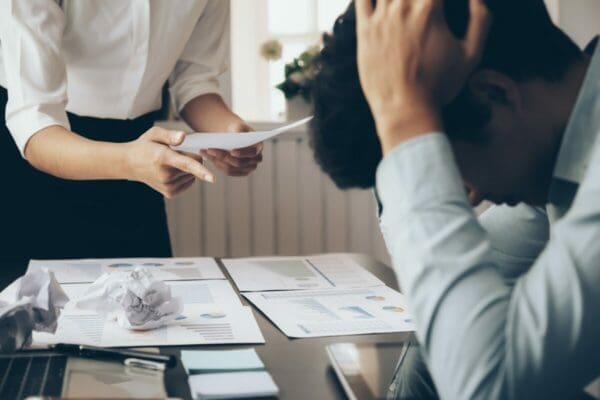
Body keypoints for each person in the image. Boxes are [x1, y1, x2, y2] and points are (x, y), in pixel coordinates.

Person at [310, 0, 600, 398]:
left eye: (446, 163)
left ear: (494, 94)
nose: (471, 195)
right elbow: (447, 335)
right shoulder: (554, 175)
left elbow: (485, 386)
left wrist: (406, 117)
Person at [0, 1, 262, 260]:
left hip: (139, 157)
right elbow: (35, 122)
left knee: (150, 295)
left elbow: (194, 79)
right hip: (38, 157)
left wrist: (228, 131)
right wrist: (129, 161)